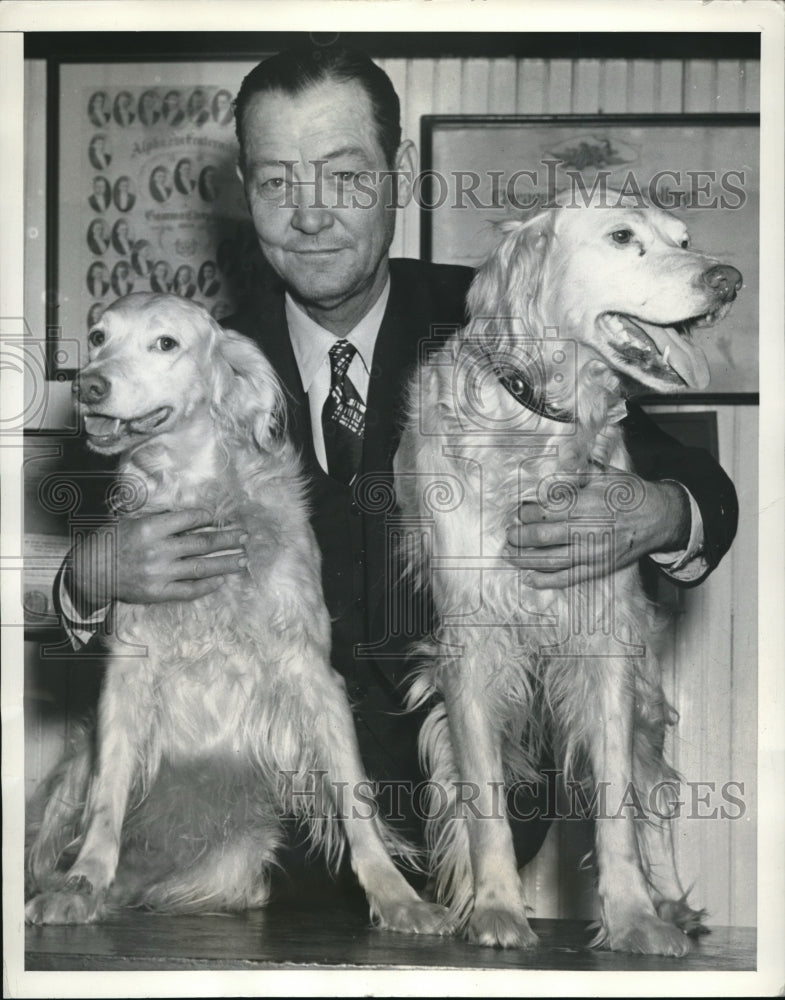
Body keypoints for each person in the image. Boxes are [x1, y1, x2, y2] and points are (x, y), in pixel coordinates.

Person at [58, 46, 738, 892]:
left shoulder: (503, 315)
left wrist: (661, 513)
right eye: (276, 182)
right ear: (246, 190)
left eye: (344, 177)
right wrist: (85, 574)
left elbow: (692, 481)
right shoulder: (196, 354)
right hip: (252, 854)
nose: (310, 216)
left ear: (398, 174)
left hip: (475, 852)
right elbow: (91, 546)